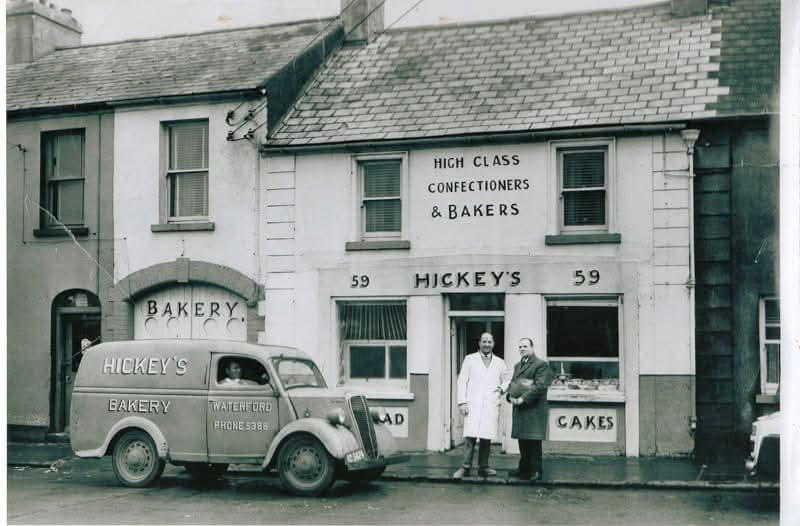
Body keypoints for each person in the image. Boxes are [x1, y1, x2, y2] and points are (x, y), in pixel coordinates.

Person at [452, 332, 508, 479]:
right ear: (479, 343)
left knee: (486, 436)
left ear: (493, 344)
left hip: (490, 403)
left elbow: (508, 379)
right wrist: (462, 402)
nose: (487, 344)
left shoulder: (500, 362)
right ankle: (465, 467)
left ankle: (484, 467)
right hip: (473, 403)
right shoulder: (470, 359)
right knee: (470, 436)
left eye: (489, 342)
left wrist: (502, 388)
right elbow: (462, 381)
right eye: (484, 341)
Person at [506, 337, 553, 481]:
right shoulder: (517, 366)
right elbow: (514, 384)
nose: (522, 349)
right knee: (523, 440)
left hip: (534, 409)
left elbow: (539, 386)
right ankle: (524, 469)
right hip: (520, 408)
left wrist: (522, 398)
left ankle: (536, 471)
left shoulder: (541, 365)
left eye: (525, 346)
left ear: (532, 347)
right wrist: (510, 396)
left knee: (533, 441)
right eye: (520, 347)